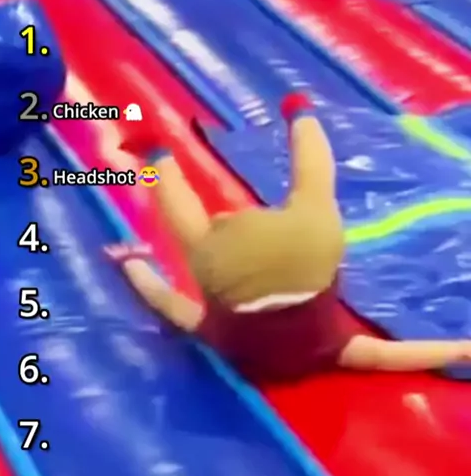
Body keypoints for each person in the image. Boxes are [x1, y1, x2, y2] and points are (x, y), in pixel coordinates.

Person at [105, 91, 471, 384]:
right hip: (234, 270)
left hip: (307, 255)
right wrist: (133, 262)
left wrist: (460, 349)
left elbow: (387, 356)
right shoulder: (224, 340)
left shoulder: (335, 347)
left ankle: (302, 116)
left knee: (315, 190)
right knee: (191, 231)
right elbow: (167, 302)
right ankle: (156, 155)